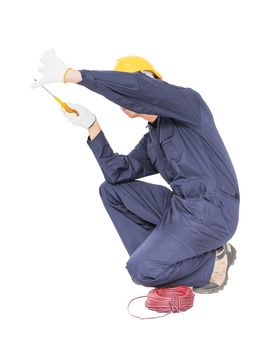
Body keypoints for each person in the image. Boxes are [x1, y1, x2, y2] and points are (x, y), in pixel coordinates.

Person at [32, 49, 240, 294]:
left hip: (213, 211)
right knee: (112, 191)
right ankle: (166, 262)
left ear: (148, 81)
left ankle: (212, 263)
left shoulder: (190, 105)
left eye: (126, 86)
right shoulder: (152, 139)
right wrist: (92, 126)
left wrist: (75, 76)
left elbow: (139, 89)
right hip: (182, 208)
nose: (121, 98)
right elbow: (117, 173)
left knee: (141, 271)